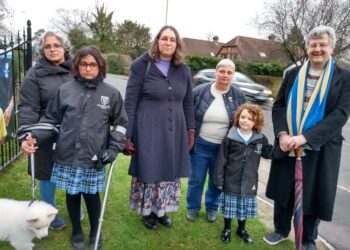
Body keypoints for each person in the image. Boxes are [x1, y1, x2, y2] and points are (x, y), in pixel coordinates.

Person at [26, 46, 128, 250]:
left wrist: (114, 148)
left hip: (94, 156)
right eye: (83, 64)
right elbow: (50, 119)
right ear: (77, 66)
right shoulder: (65, 91)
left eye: (92, 64)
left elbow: (121, 124)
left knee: (91, 196)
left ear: (100, 66)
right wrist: (33, 136)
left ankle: (94, 234)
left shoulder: (111, 93)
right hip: (68, 154)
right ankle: (76, 231)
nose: (88, 68)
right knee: (72, 194)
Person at [263, 25, 350, 250]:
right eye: (313, 45)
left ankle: (309, 238)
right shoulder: (293, 74)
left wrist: (306, 137)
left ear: (332, 48)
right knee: (285, 189)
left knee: (313, 194)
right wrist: (282, 133)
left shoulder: (344, 78)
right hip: (288, 144)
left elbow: (340, 114)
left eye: (322, 45)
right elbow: (279, 104)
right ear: (307, 47)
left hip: (320, 147)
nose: (317, 49)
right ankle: (280, 229)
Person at [124, 25, 195, 230]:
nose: (168, 43)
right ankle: (147, 212)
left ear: (177, 44)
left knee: (169, 168)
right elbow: (130, 100)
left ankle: (161, 210)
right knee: (150, 167)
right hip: (148, 127)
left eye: (172, 40)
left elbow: (188, 102)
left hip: (176, 129)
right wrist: (127, 133)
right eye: (164, 38)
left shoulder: (183, 69)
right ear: (157, 41)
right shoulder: (141, 65)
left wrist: (190, 129)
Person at [18, 31, 73, 230]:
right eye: (48, 46)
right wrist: (27, 135)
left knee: (73, 171)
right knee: (47, 172)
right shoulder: (35, 73)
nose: (52, 49)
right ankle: (50, 212)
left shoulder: (77, 68)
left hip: (73, 131)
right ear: (42, 50)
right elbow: (28, 106)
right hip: (44, 131)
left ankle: (74, 208)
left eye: (56, 45)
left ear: (65, 47)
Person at [186, 59, 246, 222]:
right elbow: (188, 115)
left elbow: (244, 120)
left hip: (223, 148)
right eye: (222, 71)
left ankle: (212, 208)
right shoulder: (199, 91)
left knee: (217, 180)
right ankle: (192, 207)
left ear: (233, 75)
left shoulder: (239, 96)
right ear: (216, 72)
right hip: (200, 144)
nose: (225, 75)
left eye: (229, 72)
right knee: (196, 179)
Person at [214, 103, 273, 245]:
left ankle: (241, 229)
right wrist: (219, 180)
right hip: (231, 180)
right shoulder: (230, 137)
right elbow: (221, 160)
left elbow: (268, 153)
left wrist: (284, 146)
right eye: (243, 117)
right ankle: (227, 229)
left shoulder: (260, 139)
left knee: (243, 208)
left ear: (256, 122)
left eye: (250, 119)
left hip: (249, 181)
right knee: (229, 208)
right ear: (238, 118)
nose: (245, 120)